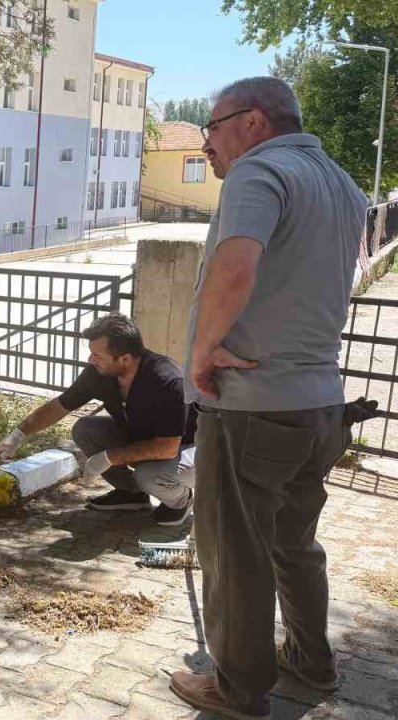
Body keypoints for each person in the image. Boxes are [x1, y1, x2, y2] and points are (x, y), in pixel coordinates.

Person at [170, 77, 366, 720]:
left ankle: (236, 691)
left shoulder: (260, 172)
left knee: (235, 555)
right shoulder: (343, 185)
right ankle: (312, 664)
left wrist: (201, 351)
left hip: (253, 406)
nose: (207, 144)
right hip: (320, 406)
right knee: (294, 544)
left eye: (212, 126)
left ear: (252, 122)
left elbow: (237, 263)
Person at [0, 314, 196, 526]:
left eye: (97, 355)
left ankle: (180, 501)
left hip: (191, 448)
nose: (91, 360)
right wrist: (18, 434)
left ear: (125, 359)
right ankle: (132, 494)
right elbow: (59, 405)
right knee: (85, 429)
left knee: (148, 475)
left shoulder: (167, 381)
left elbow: (166, 448)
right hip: (147, 436)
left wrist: (110, 457)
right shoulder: (99, 373)